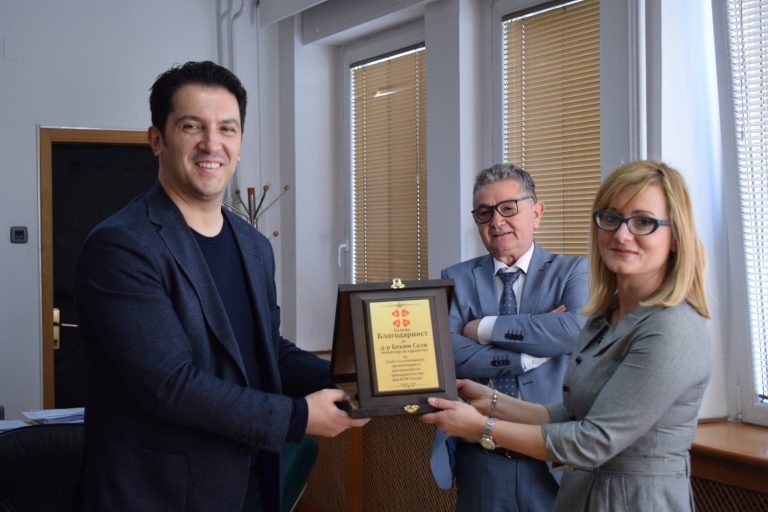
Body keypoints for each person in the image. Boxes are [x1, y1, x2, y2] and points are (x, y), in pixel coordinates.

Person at [73, 61, 368, 512]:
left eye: (227, 129)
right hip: (158, 495)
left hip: (253, 485)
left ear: (240, 142)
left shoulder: (253, 246)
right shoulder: (121, 246)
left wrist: (354, 378)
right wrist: (299, 416)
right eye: (192, 126)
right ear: (157, 140)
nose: (212, 144)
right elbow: (170, 385)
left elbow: (267, 350)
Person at [422, 160, 711, 511]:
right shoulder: (606, 316)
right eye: (611, 218)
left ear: (676, 236)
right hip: (576, 493)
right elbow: (574, 415)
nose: (622, 234)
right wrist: (495, 400)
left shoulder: (673, 329)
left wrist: (483, 425)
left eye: (643, 222)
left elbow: (593, 440)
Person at [431, 163, 588, 511]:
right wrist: (528, 355)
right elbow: (446, 352)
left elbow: (575, 331)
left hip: (552, 457)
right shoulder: (456, 278)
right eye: (484, 212)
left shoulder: (572, 272)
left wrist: (483, 329)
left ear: (537, 212)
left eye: (508, 208)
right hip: (482, 459)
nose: (496, 221)